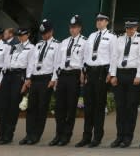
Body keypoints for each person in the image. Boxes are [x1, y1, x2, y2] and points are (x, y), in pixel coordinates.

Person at [78, 13, 115, 147]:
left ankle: (97, 137)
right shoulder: (92, 36)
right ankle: (86, 136)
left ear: (107, 22)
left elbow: (113, 56)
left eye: (101, 20)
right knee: (88, 107)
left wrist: (111, 73)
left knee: (99, 106)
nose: (99, 22)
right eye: (97, 20)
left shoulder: (111, 37)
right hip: (90, 72)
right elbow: (85, 54)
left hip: (101, 73)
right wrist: (83, 71)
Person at [110, 17, 140, 148]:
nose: (129, 30)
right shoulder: (119, 39)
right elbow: (114, 57)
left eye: (132, 28)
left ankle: (128, 137)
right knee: (120, 107)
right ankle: (119, 136)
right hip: (120, 74)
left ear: (136, 28)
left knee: (131, 107)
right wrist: (113, 75)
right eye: (127, 28)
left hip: (133, 75)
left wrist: (139, 76)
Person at [50, 14, 86, 146]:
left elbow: (84, 61)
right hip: (63, 75)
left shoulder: (84, 42)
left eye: (75, 27)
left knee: (71, 108)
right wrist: (56, 78)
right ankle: (58, 134)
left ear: (80, 28)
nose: (72, 30)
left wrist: (83, 74)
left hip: (74, 76)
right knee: (59, 107)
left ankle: (66, 135)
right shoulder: (64, 42)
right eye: (71, 27)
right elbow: (58, 62)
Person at [22, 19, 59, 145]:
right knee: (31, 107)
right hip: (35, 79)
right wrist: (28, 78)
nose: (44, 35)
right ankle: (28, 134)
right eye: (42, 33)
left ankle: (36, 135)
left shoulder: (56, 45)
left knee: (41, 108)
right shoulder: (38, 45)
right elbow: (31, 63)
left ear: (51, 31)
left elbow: (56, 64)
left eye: (46, 33)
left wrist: (53, 79)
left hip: (46, 79)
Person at [0, 27, 32, 144]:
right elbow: (5, 64)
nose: (20, 37)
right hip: (7, 76)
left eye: (23, 35)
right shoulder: (13, 47)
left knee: (12, 106)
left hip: (18, 76)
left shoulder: (31, 48)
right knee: (3, 106)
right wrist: (0, 81)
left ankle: (8, 135)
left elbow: (30, 65)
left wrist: (27, 80)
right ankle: (0, 134)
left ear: (28, 35)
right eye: (19, 35)